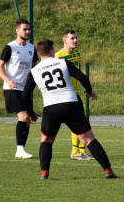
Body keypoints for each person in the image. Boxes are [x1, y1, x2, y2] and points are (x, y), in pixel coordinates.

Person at [22, 40, 117, 179]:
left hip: (50, 107)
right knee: (89, 139)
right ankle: (108, 171)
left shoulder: (34, 71)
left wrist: (31, 114)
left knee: (46, 140)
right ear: (51, 51)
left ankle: (44, 174)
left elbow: (25, 96)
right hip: (70, 104)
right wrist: (89, 91)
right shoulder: (62, 62)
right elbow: (82, 77)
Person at [0, 18, 39, 159]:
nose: (27, 31)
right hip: (12, 88)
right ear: (17, 30)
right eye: (24, 29)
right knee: (23, 116)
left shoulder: (32, 48)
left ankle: (21, 149)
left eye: (29, 29)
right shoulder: (10, 47)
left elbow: (34, 68)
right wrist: (8, 81)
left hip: (25, 89)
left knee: (28, 119)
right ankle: (19, 150)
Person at [54, 30, 93, 161]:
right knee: (77, 122)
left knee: (81, 121)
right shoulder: (58, 56)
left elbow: (79, 73)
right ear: (65, 41)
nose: (75, 40)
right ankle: (76, 152)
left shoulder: (76, 54)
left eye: (76, 38)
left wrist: (86, 89)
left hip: (74, 93)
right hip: (65, 95)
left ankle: (81, 151)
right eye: (72, 38)